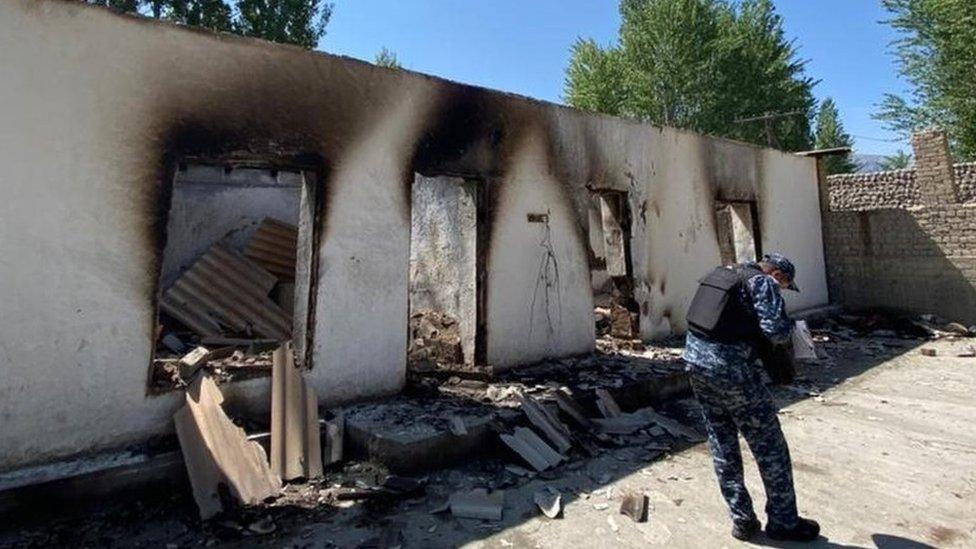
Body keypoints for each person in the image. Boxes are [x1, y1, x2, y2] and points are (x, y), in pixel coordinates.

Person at [682, 253, 820, 542]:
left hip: (696, 367)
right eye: (784, 285)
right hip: (733, 373)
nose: (781, 289)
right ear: (779, 275)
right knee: (770, 445)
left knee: (722, 445)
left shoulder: (720, 273)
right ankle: (784, 522)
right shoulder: (763, 283)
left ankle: (742, 520)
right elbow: (777, 333)